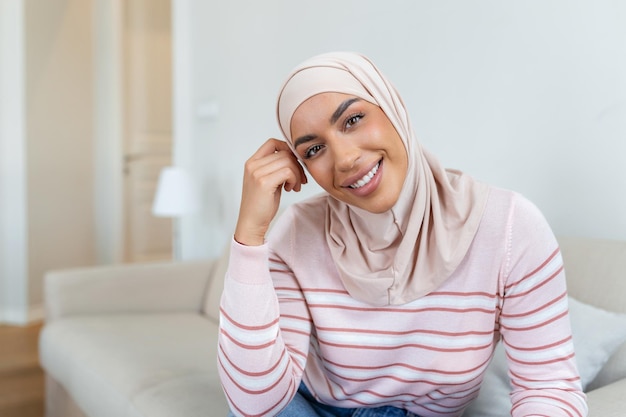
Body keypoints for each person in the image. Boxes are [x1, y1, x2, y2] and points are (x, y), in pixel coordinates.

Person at [217, 52, 588, 417]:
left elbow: (548, 387)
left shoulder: (509, 227)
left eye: (353, 119)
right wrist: (250, 234)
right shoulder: (298, 232)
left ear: (393, 107)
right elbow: (257, 405)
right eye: (315, 149)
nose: (344, 159)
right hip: (307, 406)